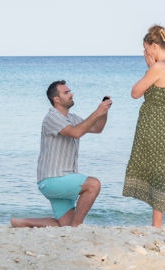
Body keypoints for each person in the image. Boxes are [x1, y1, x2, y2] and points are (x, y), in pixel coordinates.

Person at [10, 81, 112, 228]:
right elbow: (76, 133)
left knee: (65, 225)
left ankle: (21, 222)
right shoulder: (52, 118)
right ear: (56, 99)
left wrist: (104, 111)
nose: (71, 94)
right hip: (53, 179)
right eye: (66, 92)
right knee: (93, 185)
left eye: (70, 91)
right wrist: (97, 111)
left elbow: (97, 128)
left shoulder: (73, 118)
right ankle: (77, 228)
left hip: (61, 180)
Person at [123, 25, 165, 228]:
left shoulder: (157, 67)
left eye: (146, 48)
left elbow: (135, 92)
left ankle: (156, 225)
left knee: (157, 170)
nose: (145, 52)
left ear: (154, 45)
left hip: (154, 121)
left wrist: (149, 66)